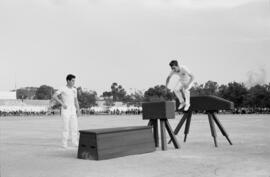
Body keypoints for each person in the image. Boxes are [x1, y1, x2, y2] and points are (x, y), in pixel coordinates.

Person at [52, 74, 80, 149]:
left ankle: (75, 142)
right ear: (68, 80)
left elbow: (76, 100)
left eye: (74, 80)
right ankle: (64, 144)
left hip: (73, 110)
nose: (74, 82)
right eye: (72, 80)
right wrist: (62, 103)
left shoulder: (74, 89)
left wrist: (78, 110)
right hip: (65, 110)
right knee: (66, 128)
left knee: (75, 127)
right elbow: (54, 96)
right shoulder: (63, 88)